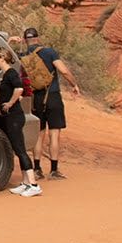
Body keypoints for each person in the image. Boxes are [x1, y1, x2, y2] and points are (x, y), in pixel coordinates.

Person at [24, 27, 82, 180]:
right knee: (54, 133)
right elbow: (63, 71)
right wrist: (74, 84)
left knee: (39, 133)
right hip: (53, 96)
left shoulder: (23, 55)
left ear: (26, 40)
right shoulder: (49, 52)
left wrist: (10, 41)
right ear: (38, 38)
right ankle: (54, 170)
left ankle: (37, 169)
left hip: (36, 99)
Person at [0, 46, 41, 196]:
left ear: (2, 58)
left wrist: (10, 103)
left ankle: (34, 185)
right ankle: (25, 183)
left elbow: (19, 89)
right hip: (12, 117)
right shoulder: (7, 74)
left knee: (20, 150)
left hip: (14, 116)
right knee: (18, 149)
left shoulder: (11, 73)